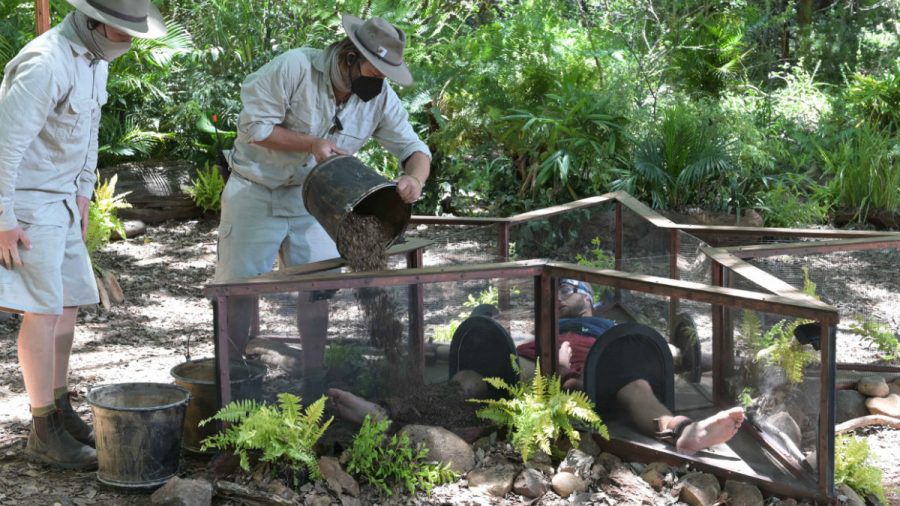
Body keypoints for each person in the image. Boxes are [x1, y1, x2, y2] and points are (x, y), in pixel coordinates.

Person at [215, 14, 431, 395]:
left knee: (317, 290)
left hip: (318, 202)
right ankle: (234, 383)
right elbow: (255, 129)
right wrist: (312, 144)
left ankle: (313, 384)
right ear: (349, 56)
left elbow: (415, 150)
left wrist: (414, 178)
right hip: (255, 189)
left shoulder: (380, 97)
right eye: (374, 70)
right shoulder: (294, 67)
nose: (378, 80)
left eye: (385, 74)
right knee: (239, 288)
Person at [0, 0, 165, 469]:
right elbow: (4, 146)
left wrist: (84, 191)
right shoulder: (44, 63)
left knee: (69, 304)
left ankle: (59, 407)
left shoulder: (94, 60)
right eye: (125, 32)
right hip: (28, 202)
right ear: (96, 23)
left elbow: (88, 130)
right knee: (42, 312)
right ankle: (42, 431)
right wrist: (3, 219)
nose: (131, 43)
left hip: (64, 200)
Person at [329, 279, 745, 454]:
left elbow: (673, 355)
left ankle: (687, 434)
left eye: (567, 289)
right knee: (472, 379)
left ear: (588, 297)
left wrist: (728, 362)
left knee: (638, 388)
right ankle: (385, 410)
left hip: (601, 374)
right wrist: (426, 351)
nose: (560, 297)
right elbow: (463, 352)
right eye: (556, 291)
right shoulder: (547, 326)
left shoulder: (610, 325)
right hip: (537, 370)